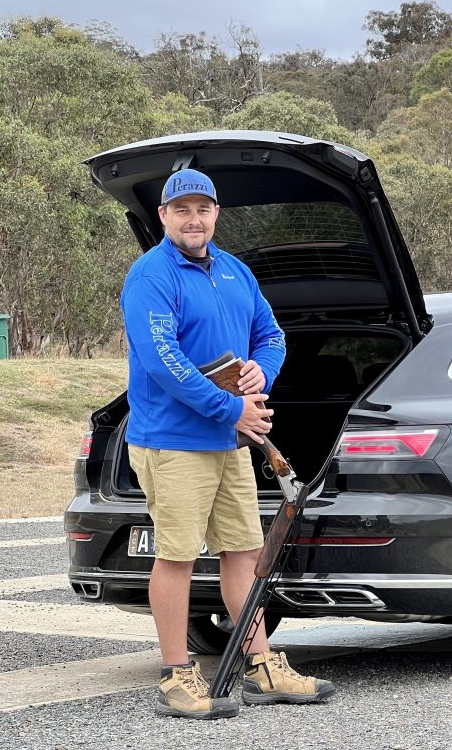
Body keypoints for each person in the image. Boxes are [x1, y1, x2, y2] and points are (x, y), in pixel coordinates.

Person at [120, 168, 335, 719]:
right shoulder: (151, 275)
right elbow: (162, 360)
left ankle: (261, 667)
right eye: (181, 210)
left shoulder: (236, 271)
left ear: (216, 214)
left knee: (243, 552)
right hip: (174, 442)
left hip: (229, 441)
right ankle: (177, 674)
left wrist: (261, 372)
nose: (194, 220)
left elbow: (272, 335)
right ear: (163, 216)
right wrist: (230, 408)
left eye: (204, 209)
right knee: (177, 557)